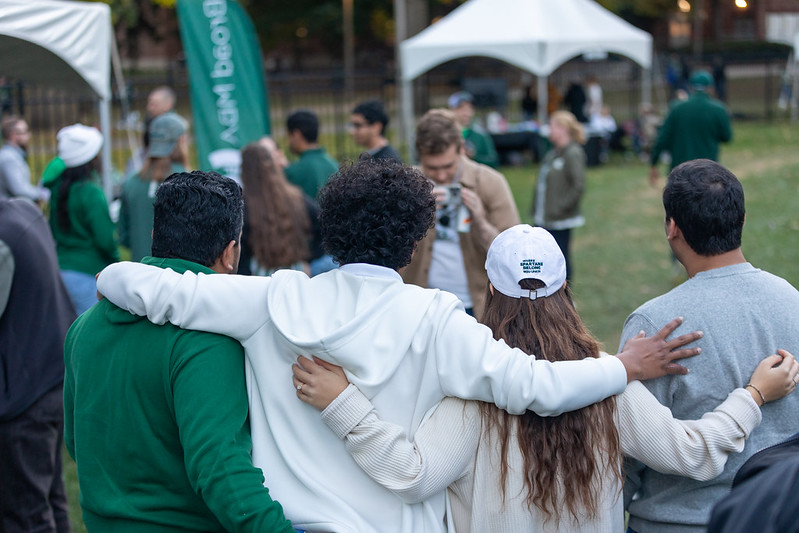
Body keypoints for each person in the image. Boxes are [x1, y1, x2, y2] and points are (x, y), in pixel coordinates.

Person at [97, 157, 702, 533]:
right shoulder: (437, 318)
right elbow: (535, 387)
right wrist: (621, 367)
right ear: (414, 245)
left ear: (329, 230)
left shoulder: (267, 301)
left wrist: (109, 273)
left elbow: (134, 282)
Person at [292, 224, 798, 532]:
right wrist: (754, 394)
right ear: (563, 287)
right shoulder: (605, 381)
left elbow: (412, 473)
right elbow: (693, 452)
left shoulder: (474, 385)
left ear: (489, 286)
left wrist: (344, 404)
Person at [64, 171, 294, 532]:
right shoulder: (208, 339)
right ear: (231, 252)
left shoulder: (83, 327)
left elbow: (77, 442)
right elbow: (219, 466)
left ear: (156, 236)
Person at [619, 159, 799, 533]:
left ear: (672, 228)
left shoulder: (653, 327)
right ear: (742, 219)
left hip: (674, 523)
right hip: (775, 517)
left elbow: (628, 453)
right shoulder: (792, 302)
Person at [0, 198, 76, 532]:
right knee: (50, 496)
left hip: (24, 394)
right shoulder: (24, 210)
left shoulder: (2, 240)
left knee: (26, 513)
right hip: (54, 374)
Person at [403, 109, 519, 317]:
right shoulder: (408, 183)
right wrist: (416, 211)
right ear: (419, 156)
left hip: (476, 305)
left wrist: (480, 221)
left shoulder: (489, 181)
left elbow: (514, 255)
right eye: (431, 167)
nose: (441, 175)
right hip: (421, 304)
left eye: (448, 166)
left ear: (462, 150)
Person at [45, 124, 118, 314]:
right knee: (89, 338)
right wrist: (115, 261)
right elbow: (105, 239)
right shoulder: (91, 192)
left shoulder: (57, 189)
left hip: (60, 270)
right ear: (92, 158)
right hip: (87, 273)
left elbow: (53, 229)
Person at [238, 138, 322, 276]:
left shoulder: (244, 206)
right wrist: (311, 257)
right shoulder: (296, 198)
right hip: (297, 273)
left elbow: (241, 251)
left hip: (260, 277)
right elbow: (323, 224)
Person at [118, 112, 189, 262]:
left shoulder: (131, 182)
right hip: (176, 277)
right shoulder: (189, 184)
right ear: (182, 140)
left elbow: (123, 236)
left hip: (140, 274)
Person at [649, 70, 732, 187]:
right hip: (708, 171)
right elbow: (726, 137)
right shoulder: (719, 109)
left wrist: (654, 163)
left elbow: (663, 138)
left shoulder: (676, 108)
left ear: (691, 87)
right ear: (711, 88)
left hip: (680, 171)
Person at [531, 110, 586, 281]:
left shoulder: (572, 153)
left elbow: (578, 186)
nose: (549, 130)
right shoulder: (553, 153)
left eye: (552, 126)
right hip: (545, 217)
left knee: (561, 256)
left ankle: (566, 297)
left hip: (560, 219)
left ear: (563, 129)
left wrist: (560, 207)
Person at [284, 109, 339, 199]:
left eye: (289, 136)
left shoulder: (292, 172)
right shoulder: (335, 165)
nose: (288, 142)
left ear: (296, 134)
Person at [125, 86, 178, 176]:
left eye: (154, 104)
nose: (149, 108)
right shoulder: (149, 120)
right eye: (149, 103)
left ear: (167, 105)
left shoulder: (176, 127)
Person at [0, 116, 49, 203]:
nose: (28, 135)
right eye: (25, 131)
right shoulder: (9, 158)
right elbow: (19, 189)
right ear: (13, 135)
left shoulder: (12, 155)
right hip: (9, 212)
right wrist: (41, 194)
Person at [448, 91, 499, 168]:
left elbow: (493, 161)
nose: (466, 113)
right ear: (452, 110)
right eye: (461, 109)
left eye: (469, 108)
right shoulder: (445, 134)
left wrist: (474, 157)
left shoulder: (481, 135)